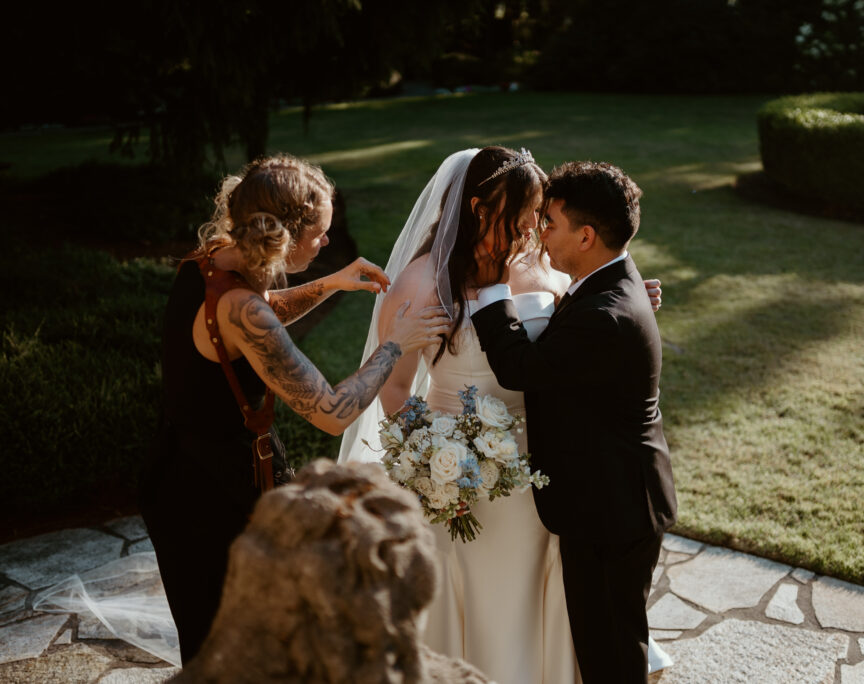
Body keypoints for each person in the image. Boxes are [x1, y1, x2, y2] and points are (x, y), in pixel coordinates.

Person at [338, 147, 669, 683]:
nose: (531, 230)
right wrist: (432, 459)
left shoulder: (546, 266)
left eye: (540, 216)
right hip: (463, 479)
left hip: (550, 474)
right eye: (522, 217)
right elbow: (395, 389)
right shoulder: (424, 282)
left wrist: (628, 302)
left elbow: (580, 332)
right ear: (477, 209)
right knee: (477, 597)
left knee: (554, 595)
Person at [140, 154, 449, 664]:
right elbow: (331, 411)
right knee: (230, 649)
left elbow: (257, 324)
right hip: (207, 498)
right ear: (283, 235)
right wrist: (395, 344)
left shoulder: (215, 256)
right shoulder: (241, 308)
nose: (326, 242)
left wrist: (329, 283)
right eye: (320, 233)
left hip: (190, 466)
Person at [470, 161, 678, 684]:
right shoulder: (605, 285)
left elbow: (522, 368)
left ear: (586, 236)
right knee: (606, 642)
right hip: (612, 498)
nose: (541, 233)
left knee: (609, 655)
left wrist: (489, 290)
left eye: (552, 224)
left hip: (611, 509)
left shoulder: (605, 313)